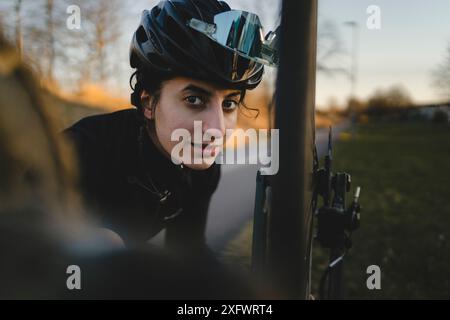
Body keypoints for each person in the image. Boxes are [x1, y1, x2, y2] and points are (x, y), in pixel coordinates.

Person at [64, 0, 277, 251]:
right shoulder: (79, 152)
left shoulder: (202, 169)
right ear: (148, 103)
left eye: (229, 104)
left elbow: (187, 252)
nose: (216, 129)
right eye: (194, 100)